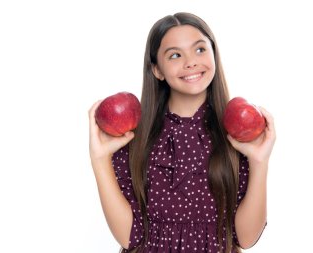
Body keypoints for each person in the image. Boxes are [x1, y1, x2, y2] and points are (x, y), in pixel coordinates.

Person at [88, 12, 276, 253]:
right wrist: (99, 159)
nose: (191, 62)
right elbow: (129, 238)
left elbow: (245, 238)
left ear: (214, 55)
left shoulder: (237, 134)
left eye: (200, 50)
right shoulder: (135, 135)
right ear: (157, 70)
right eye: (175, 55)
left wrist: (259, 161)